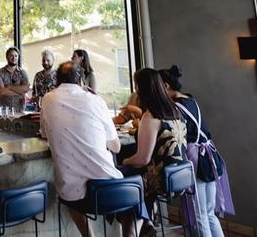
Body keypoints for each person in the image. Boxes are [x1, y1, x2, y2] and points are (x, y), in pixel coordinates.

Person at [40, 61, 144, 237]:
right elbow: (116, 147)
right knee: (138, 193)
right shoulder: (95, 100)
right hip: (109, 189)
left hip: (72, 194)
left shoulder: (48, 99)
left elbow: (44, 133)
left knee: (71, 196)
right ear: (81, 80)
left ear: (57, 80)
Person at [159, 66, 234, 237]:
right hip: (210, 157)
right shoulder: (191, 100)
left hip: (196, 159)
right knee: (208, 213)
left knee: (199, 215)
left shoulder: (176, 108)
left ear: (165, 86)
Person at [122, 68, 187, 218]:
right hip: (179, 176)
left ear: (142, 89)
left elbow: (142, 160)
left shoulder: (151, 116)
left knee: (121, 181)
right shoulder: (176, 110)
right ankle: (146, 223)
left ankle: (139, 226)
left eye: (136, 86)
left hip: (160, 180)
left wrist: (123, 161)